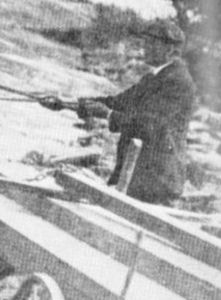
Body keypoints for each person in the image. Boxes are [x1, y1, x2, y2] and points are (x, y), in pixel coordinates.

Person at [47, 21, 196, 205]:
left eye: (151, 42)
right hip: (136, 176)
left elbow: (150, 126)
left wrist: (108, 115)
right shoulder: (153, 78)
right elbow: (116, 102)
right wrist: (65, 104)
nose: (144, 47)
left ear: (170, 49)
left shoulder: (179, 82)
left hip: (157, 182)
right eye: (145, 41)